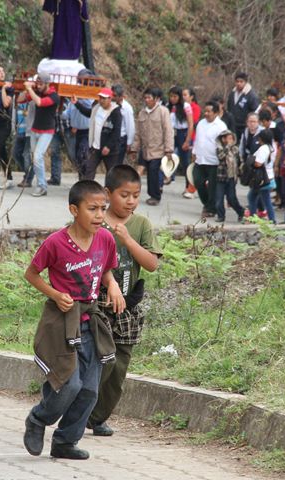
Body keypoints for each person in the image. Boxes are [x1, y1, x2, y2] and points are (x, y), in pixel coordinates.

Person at [23, 180, 124, 461]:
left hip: (91, 320)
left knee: (90, 389)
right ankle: (38, 419)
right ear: (73, 209)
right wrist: (55, 294)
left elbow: (106, 270)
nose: (100, 215)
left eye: (103, 208)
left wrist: (112, 285)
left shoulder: (105, 238)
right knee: (69, 384)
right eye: (92, 209)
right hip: (62, 320)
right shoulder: (55, 243)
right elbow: (31, 274)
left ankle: (65, 442)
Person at [87, 165, 162, 436]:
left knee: (119, 367)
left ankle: (97, 417)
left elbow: (151, 264)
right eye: (124, 195)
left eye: (136, 195)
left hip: (127, 305)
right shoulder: (95, 221)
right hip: (97, 303)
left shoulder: (141, 225)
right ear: (108, 194)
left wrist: (128, 240)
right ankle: (81, 409)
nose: (130, 201)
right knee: (99, 360)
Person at [129, 87, 174, 206]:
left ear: (156, 99)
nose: (147, 100)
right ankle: (151, 193)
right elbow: (138, 132)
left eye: (149, 97)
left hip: (158, 149)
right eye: (145, 97)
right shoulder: (142, 113)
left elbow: (168, 130)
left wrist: (168, 149)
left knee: (153, 173)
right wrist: (134, 148)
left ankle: (155, 196)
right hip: (145, 149)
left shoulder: (163, 111)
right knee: (147, 172)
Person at [18, 73, 60, 197]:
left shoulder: (54, 96)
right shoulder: (37, 91)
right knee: (34, 159)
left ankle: (42, 186)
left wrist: (30, 89)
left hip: (47, 131)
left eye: (41, 83)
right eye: (37, 83)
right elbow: (20, 100)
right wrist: (25, 88)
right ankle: (40, 184)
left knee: (37, 157)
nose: (38, 85)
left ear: (47, 84)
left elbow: (40, 102)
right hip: (35, 130)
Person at [192, 102, 227, 217]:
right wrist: (194, 152)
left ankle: (211, 208)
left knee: (212, 187)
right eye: (205, 111)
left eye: (209, 112)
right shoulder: (201, 123)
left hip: (214, 162)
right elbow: (197, 140)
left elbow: (224, 144)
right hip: (200, 159)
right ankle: (207, 203)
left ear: (216, 113)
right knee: (198, 181)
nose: (206, 114)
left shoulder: (221, 126)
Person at [81, 88, 122, 180]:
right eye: (100, 98)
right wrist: (76, 104)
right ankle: (87, 191)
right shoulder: (96, 108)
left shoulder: (115, 112)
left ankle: (110, 192)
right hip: (96, 147)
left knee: (111, 173)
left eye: (104, 98)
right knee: (89, 169)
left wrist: (108, 146)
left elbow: (116, 131)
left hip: (110, 149)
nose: (101, 100)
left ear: (110, 99)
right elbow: (88, 113)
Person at [246, 128, 277, 223]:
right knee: (260, 197)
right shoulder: (273, 147)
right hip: (269, 176)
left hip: (262, 178)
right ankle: (269, 218)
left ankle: (256, 218)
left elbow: (258, 163)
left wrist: (251, 161)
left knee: (254, 197)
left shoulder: (264, 148)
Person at [215, 130, 245, 223]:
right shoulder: (219, 148)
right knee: (219, 199)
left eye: (231, 138)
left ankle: (241, 212)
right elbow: (221, 157)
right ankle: (221, 216)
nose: (230, 140)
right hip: (221, 177)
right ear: (223, 139)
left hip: (232, 177)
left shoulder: (235, 149)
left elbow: (239, 161)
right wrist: (227, 147)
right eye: (228, 138)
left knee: (231, 198)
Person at [167, 86, 194, 189]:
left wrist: (187, 140)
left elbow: (191, 124)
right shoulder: (169, 106)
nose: (172, 98)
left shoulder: (186, 106)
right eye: (171, 96)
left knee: (185, 161)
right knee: (168, 156)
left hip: (183, 133)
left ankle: (189, 186)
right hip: (172, 133)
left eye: (175, 96)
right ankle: (167, 177)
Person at [227, 72, 260, 140]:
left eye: (241, 81)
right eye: (237, 81)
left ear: (245, 82)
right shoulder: (232, 94)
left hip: (245, 127)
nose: (239, 83)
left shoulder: (251, 95)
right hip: (233, 126)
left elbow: (255, 111)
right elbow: (229, 108)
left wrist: (250, 124)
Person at [112, 85, 135, 167]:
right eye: (112, 95)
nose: (113, 98)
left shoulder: (127, 108)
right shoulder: (111, 105)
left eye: (115, 96)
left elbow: (130, 126)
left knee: (117, 163)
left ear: (121, 97)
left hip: (121, 139)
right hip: (112, 138)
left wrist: (129, 143)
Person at [12, 103, 34, 187]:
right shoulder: (16, 97)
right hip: (19, 131)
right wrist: (13, 129)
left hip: (30, 132)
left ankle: (28, 179)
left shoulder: (32, 97)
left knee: (26, 155)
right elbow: (14, 114)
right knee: (15, 153)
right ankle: (30, 171)